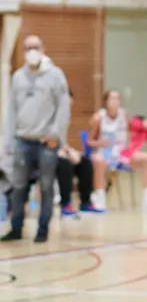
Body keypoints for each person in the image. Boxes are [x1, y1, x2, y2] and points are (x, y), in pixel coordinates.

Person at [1, 35, 70, 243]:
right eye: (27, 47)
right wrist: (8, 142)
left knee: (46, 187)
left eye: (35, 47)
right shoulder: (18, 77)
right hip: (23, 140)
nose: (32, 50)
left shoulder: (55, 75)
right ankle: (16, 228)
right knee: (18, 186)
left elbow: (63, 108)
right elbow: (11, 111)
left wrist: (56, 135)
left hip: (46, 142)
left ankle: (42, 230)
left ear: (43, 48)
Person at [87, 90, 147, 212]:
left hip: (122, 154)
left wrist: (143, 124)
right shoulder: (98, 118)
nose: (115, 102)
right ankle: (100, 198)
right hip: (104, 153)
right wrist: (99, 143)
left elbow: (133, 126)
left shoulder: (123, 115)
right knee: (98, 161)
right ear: (105, 101)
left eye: (117, 99)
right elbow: (89, 141)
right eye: (112, 99)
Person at [55, 89, 94, 218]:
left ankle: (85, 203)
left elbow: (61, 142)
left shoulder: (64, 120)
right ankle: (65, 205)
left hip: (60, 151)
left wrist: (71, 151)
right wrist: (64, 152)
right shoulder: (49, 117)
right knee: (65, 165)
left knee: (84, 162)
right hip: (46, 154)